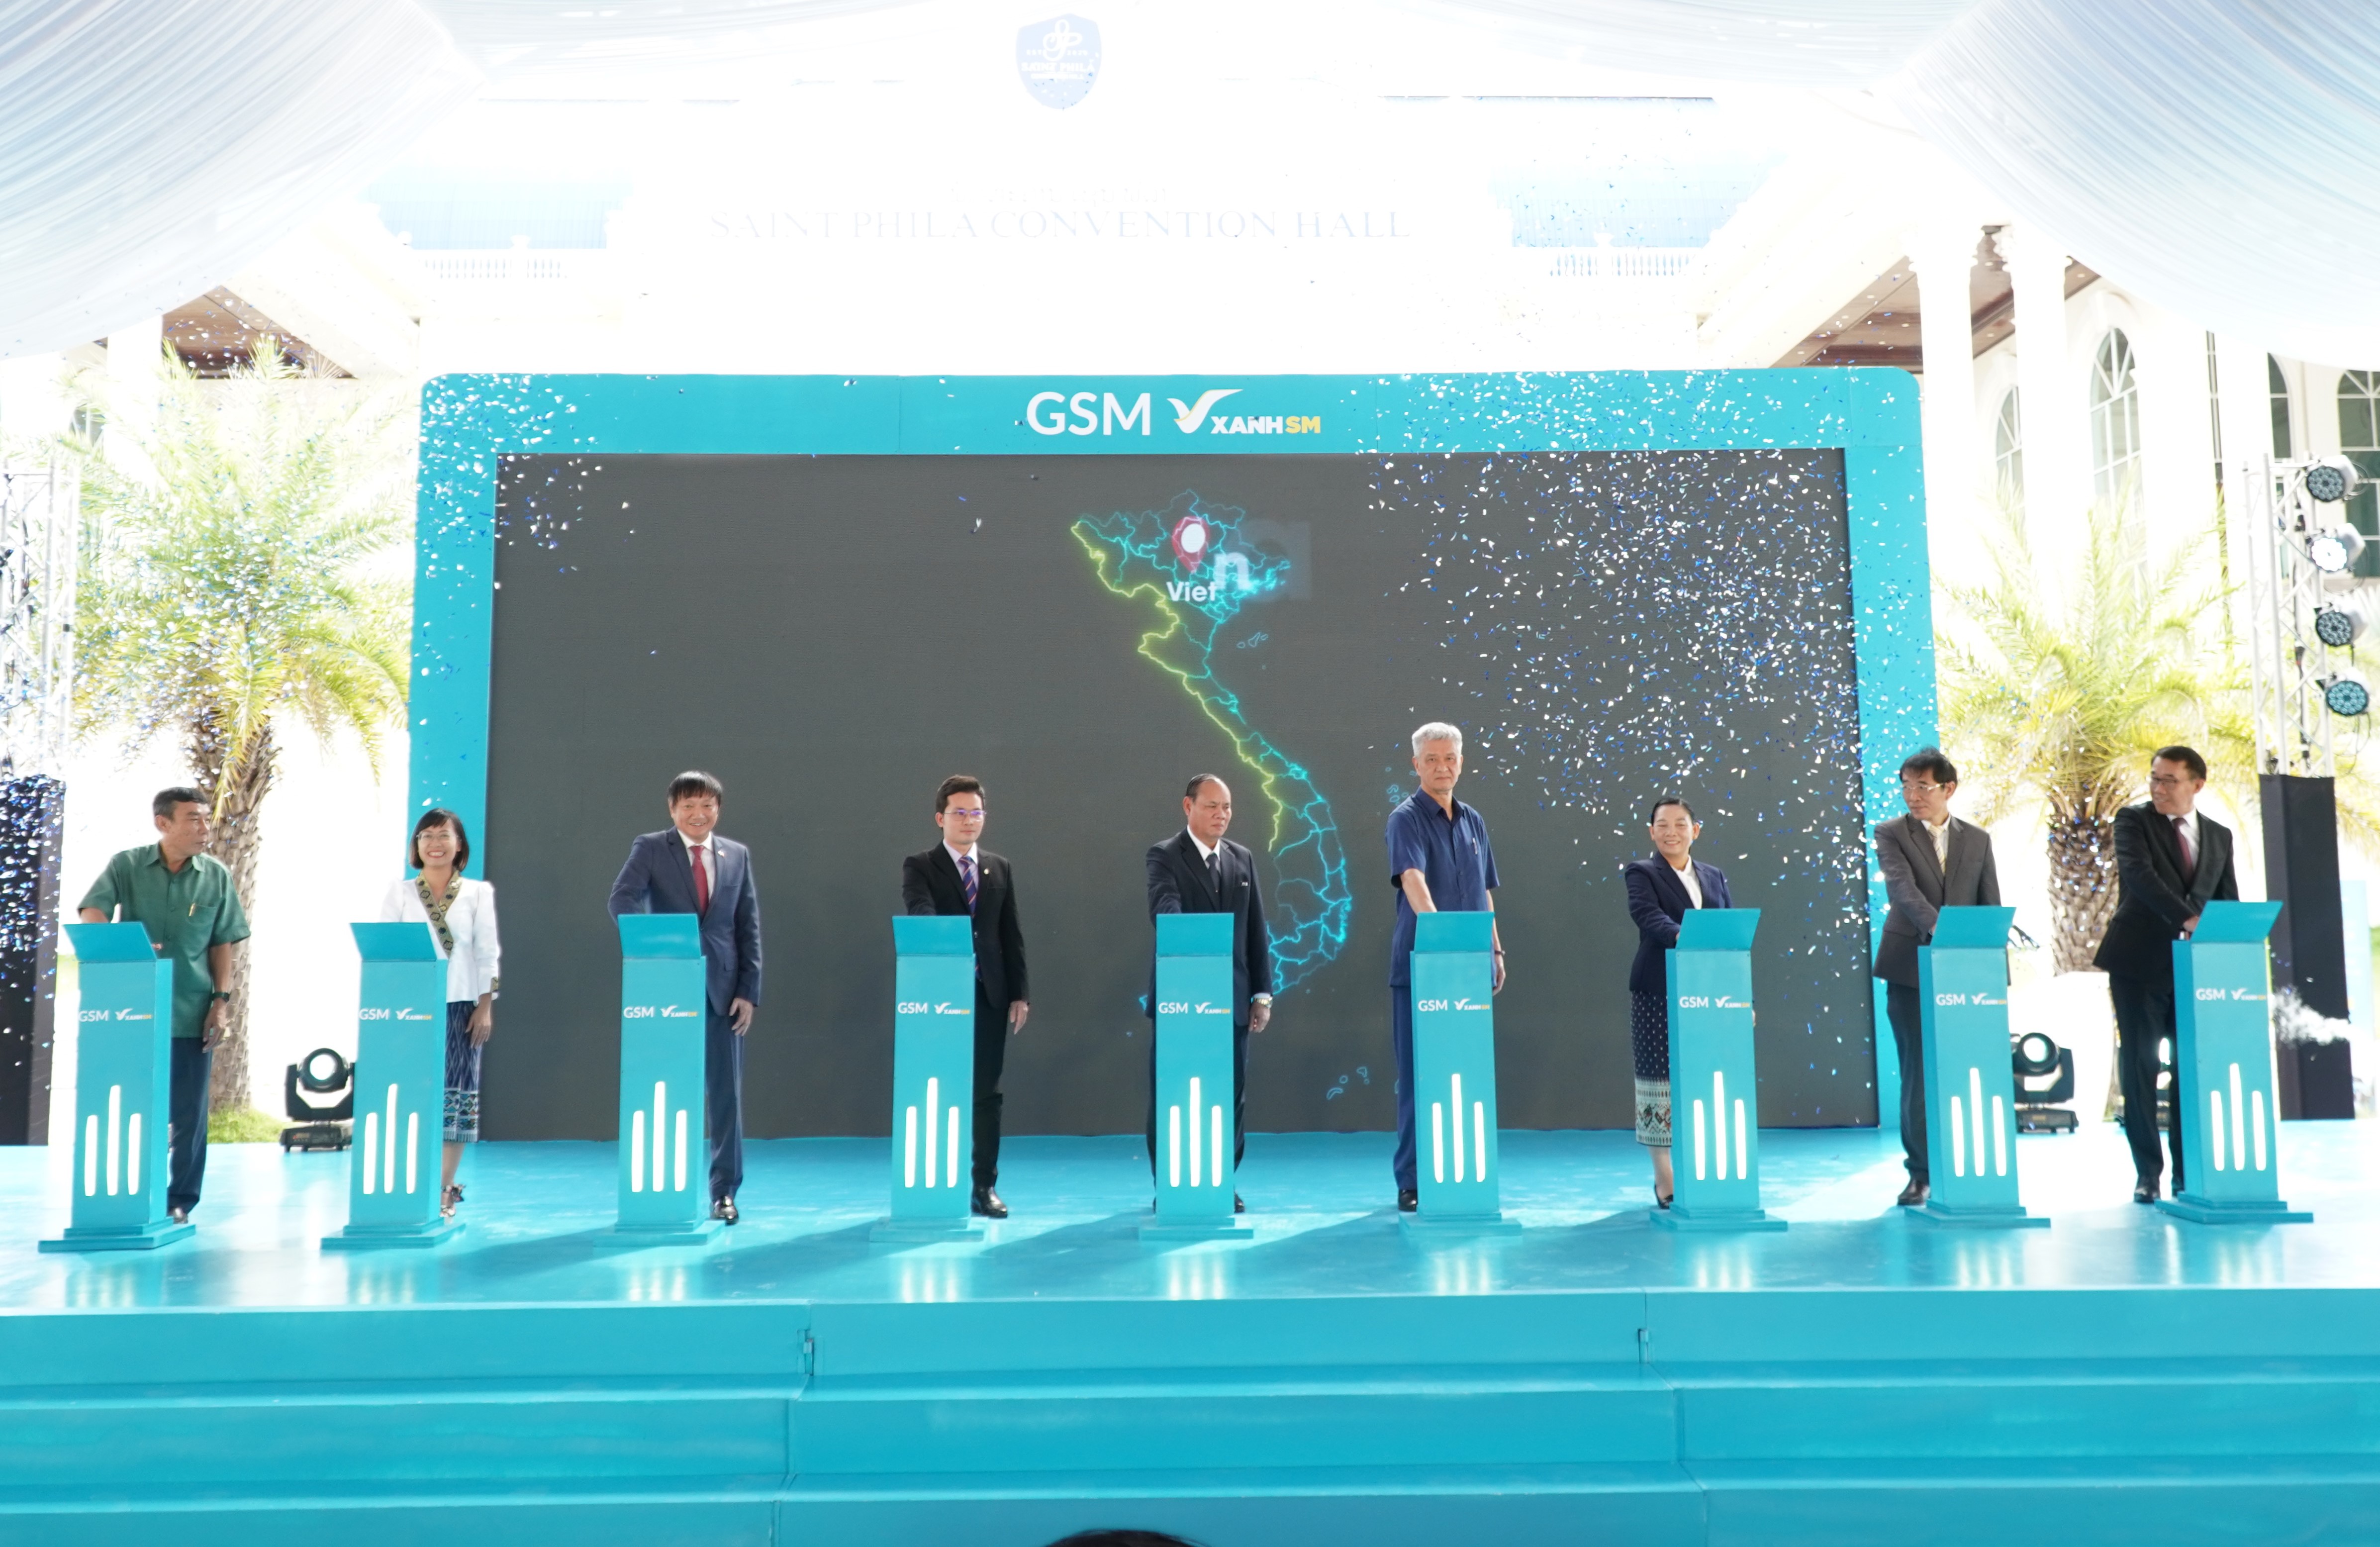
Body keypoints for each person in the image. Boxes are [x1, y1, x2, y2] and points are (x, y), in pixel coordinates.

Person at [75, 787, 251, 1226]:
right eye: (194, 819)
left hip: (192, 1011)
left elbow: (222, 944)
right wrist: (124, 946)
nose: (205, 828)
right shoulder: (127, 865)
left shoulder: (216, 876)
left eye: (207, 819)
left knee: (190, 1115)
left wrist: (221, 1003)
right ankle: (132, 1193)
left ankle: (180, 1201)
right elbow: (92, 911)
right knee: (134, 1106)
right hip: (133, 1012)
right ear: (163, 823)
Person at [607, 771, 762, 1224]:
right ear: (672, 810)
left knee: (726, 1097)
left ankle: (724, 1193)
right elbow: (622, 899)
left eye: (707, 805)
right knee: (665, 1087)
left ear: (718, 809)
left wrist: (748, 991)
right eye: (688, 806)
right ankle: (659, 1189)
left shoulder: (736, 855)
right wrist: (655, 949)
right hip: (667, 989)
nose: (698, 814)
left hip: (724, 994)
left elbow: (747, 926)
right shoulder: (651, 848)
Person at [2093, 744, 2237, 1203]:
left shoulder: (2219, 836)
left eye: (2168, 781)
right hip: (2137, 963)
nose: (2157, 788)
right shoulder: (2133, 821)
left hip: (2193, 971)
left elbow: (2226, 899)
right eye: (2154, 778)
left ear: (2197, 784)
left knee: (2188, 1069)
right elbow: (2139, 878)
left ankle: (2185, 1173)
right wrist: (2187, 919)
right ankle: (2147, 1174)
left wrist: (2230, 945)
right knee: (2141, 1066)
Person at [1873, 747, 2001, 1207]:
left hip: (1967, 976)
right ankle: (1921, 1173)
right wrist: (1942, 932)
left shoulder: (1977, 839)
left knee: (1967, 1067)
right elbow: (1902, 890)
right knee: (1917, 1072)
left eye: (1922, 787)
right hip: (1910, 966)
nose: (1912, 795)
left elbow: (1988, 903)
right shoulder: (1891, 833)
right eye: (1906, 786)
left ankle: (1966, 1164)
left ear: (1948, 789)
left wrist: (1993, 967)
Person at [1385, 723, 1504, 1212]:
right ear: (1416, 764)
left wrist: (1495, 949)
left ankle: (1465, 1168)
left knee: (1466, 1071)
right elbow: (1412, 878)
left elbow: (1484, 890)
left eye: (1450, 758)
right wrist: (1440, 937)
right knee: (1420, 1075)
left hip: (1470, 969)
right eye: (1432, 759)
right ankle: (1412, 1180)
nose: (1442, 767)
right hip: (1424, 967)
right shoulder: (1405, 818)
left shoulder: (1474, 820)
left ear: (1461, 762)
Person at [901, 775, 1030, 1219]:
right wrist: (944, 937)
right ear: (940, 818)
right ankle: (936, 1180)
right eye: (960, 812)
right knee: (939, 1088)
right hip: (940, 996)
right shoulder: (921, 865)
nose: (969, 820)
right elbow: (920, 911)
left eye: (976, 812)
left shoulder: (999, 867)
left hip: (989, 994)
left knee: (986, 1094)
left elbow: (1010, 933)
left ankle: (984, 1185)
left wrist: (1019, 993)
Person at [1144, 774, 1275, 1212]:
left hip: (1232, 1000)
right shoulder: (1165, 856)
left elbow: (1255, 929)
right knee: (1173, 1093)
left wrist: (1262, 994)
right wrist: (1192, 934)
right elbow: (1164, 909)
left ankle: (1222, 1180)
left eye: (1227, 807)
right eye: (1211, 806)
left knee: (1230, 1095)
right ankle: (1171, 1183)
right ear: (1188, 807)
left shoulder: (1242, 858)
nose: (1221, 815)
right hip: (1181, 999)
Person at [379, 809, 499, 1220]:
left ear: (459, 844)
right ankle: (410, 1186)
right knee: (412, 1095)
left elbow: (487, 952)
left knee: (456, 1099)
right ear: (416, 845)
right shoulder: (400, 893)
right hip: (412, 1008)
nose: (435, 843)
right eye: (426, 836)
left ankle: (445, 1189)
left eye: (444, 835)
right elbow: (388, 950)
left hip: (462, 1007)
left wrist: (485, 1005)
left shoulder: (478, 893)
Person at [1621, 796, 1733, 1210]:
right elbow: (1646, 915)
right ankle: (1663, 1177)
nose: (1672, 832)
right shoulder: (1641, 872)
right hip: (1658, 988)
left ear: (1695, 830)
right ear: (1651, 832)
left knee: (1705, 1081)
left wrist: (1744, 998)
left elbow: (1728, 935)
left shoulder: (1714, 876)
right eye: (1663, 825)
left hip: (1711, 994)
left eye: (1680, 824)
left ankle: (1704, 1170)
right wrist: (1684, 936)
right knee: (1658, 1082)